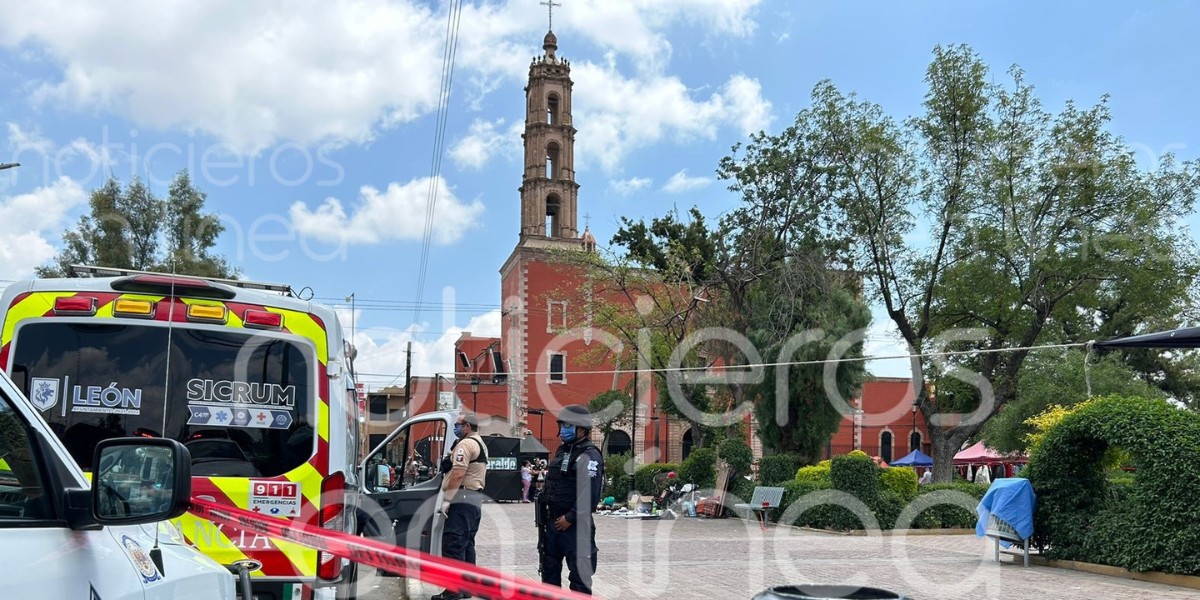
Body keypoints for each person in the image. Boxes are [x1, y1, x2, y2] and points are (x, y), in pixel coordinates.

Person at [538, 405, 604, 595]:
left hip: (575, 526)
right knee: (549, 576)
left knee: (579, 579)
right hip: (552, 524)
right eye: (562, 425)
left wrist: (570, 518)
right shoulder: (563, 451)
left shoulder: (590, 454)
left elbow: (590, 493)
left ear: (582, 429)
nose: (563, 430)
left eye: (568, 425)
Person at [432, 412, 488, 600]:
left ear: (467, 426)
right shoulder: (479, 442)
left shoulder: (465, 444)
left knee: (453, 544)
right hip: (474, 498)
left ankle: (453, 590)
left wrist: (448, 500)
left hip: (462, 498)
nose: (455, 428)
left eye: (458, 425)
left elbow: (457, 474)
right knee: (467, 544)